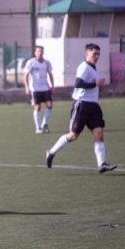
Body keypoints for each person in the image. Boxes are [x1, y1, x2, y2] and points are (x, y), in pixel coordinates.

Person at [46, 43, 117, 173]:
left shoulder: (94, 68)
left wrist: (98, 86)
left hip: (94, 106)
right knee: (73, 136)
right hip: (82, 105)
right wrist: (95, 83)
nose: (97, 56)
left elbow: (90, 85)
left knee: (99, 134)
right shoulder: (84, 67)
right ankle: (51, 152)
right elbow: (79, 83)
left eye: (98, 54)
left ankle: (101, 164)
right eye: (94, 53)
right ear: (87, 53)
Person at [24, 45, 55, 133]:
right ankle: (38, 127)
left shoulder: (47, 63)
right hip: (35, 89)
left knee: (49, 105)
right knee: (37, 107)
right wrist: (27, 87)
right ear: (35, 52)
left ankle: (44, 124)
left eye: (41, 51)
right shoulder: (31, 62)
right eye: (38, 51)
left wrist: (52, 86)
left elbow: (50, 74)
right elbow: (25, 75)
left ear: (43, 52)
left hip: (45, 88)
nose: (40, 53)